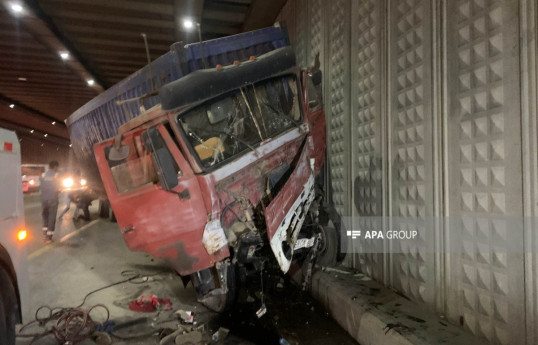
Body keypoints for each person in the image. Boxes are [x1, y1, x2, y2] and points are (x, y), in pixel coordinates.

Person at [41, 161, 60, 243]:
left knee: (45, 216)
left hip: (44, 199)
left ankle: (45, 234)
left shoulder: (43, 175)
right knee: (52, 217)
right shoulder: (56, 175)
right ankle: (49, 238)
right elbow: (57, 188)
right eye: (57, 167)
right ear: (55, 167)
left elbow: (41, 186)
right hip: (53, 199)